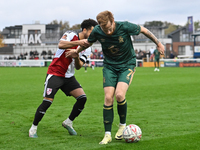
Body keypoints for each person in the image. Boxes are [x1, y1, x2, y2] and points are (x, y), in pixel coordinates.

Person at [65, 10, 165, 144]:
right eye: (103, 29)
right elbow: (88, 43)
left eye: (109, 28)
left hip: (127, 64)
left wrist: (158, 43)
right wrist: (76, 52)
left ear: (113, 21)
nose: (106, 31)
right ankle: (107, 135)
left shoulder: (124, 26)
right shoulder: (97, 31)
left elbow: (143, 30)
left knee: (119, 95)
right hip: (110, 66)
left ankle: (122, 126)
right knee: (108, 97)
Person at [29, 19, 98, 138]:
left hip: (69, 77)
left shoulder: (88, 48)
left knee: (82, 98)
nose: (94, 35)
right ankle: (33, 128)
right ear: (85, 30)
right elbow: (60, 44)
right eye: (92, 31)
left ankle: (68, 122)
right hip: (55, 73)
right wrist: (79, 43)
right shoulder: (71, 35)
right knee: (47, 101)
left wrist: (76, 56)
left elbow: (78, 66)